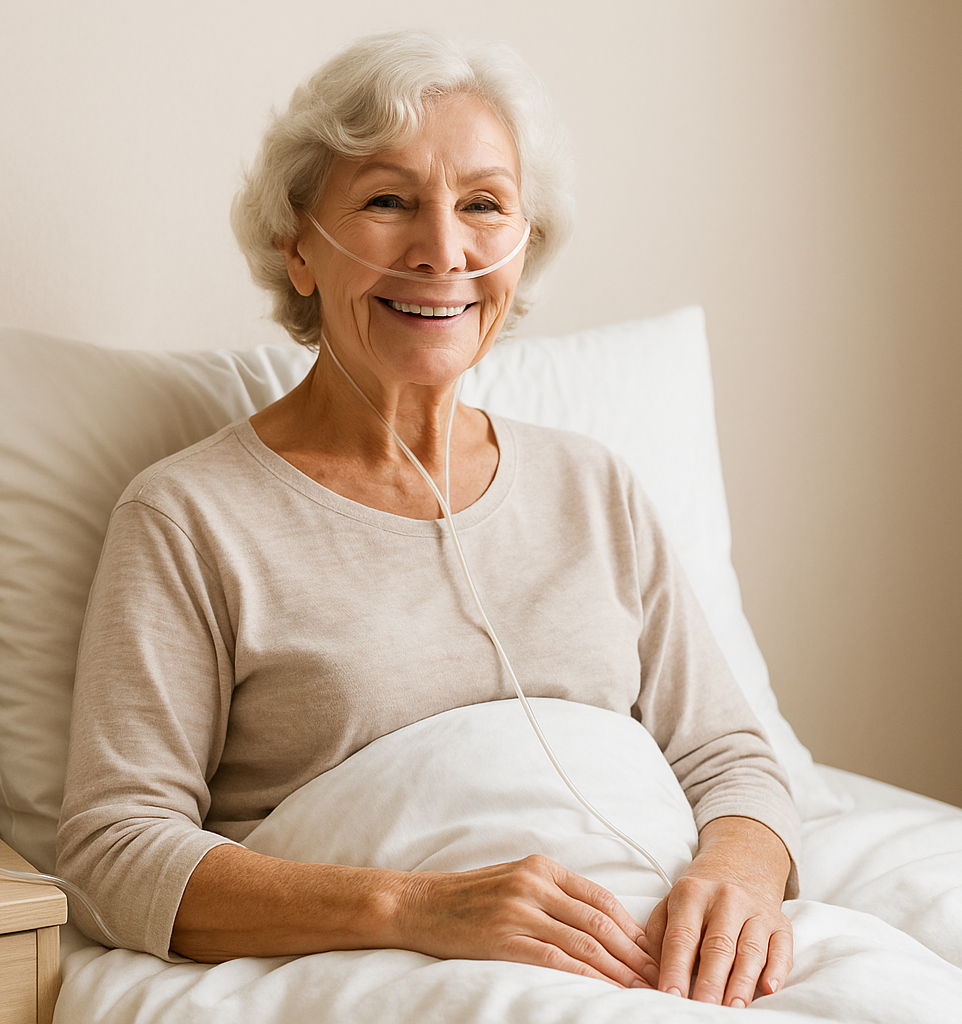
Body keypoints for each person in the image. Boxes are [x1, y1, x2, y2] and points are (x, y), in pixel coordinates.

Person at [56, 30, 798, 1009]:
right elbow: (113, 853)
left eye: (484, 204)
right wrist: (416, 906)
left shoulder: (594, 488)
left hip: (659, 963)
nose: (443, 252)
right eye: (387, 201)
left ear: (524, 245)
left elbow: (732, 758)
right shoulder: (191, 518)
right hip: (394, 978)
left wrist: (739, 877)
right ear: (296, 246)